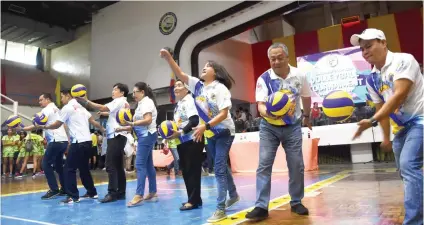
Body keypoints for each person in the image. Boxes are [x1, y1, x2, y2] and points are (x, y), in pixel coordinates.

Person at [351, 28, 423, 225]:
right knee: (405, 171)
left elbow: (399, 95)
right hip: (402, 128)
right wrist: (385, 137)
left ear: (383, 43)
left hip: (421, 120)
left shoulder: (403, 60)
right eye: (362, 49)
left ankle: (415, 221)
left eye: (369, 46)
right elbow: (382, 108)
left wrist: (372, 121)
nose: (365, 52)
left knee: (409, 166)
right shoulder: (371, 78)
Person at [160, 49, 240, 222]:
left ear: (216, 72)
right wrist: (169, 59)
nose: (204, 68)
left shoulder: (220, 89)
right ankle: (233, 194)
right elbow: (180, 74)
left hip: (224, 132)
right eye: (203, 66)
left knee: (218, 168)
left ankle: (220, 209)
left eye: (208, 66)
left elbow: (224, 114)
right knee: (221, 166)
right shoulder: (198, 86)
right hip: (210, 132)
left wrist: (206, 125)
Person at [245, 43, 312, 221]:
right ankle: (261, 206)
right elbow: (260, 106)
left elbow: (306, 96)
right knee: (264, 165)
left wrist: (306, 116)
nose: (275, 61)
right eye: (272, 59)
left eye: (279, 57)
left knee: (296, 164)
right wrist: (272, 112)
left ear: (287, 57)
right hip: (269, 127)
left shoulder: (299, 75)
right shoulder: (264, 79)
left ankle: (296, 201)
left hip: (293, 126)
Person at [36, 89, 105, 203]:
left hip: (78, 142)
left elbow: (57, 124)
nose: (61, 100)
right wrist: (103, 130)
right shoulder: (82, 108)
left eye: (62, 97)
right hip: (88, 142)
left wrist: (44, 126)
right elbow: (94, 123)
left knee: (69, 169)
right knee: (84, 169)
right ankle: (92, 192)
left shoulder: (67, 108)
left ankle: (73, 196)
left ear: (68, 96)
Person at [77, 83, 130, 203]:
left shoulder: (119, 101)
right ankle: (120, 192)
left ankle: (112, 193)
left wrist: (86, 101)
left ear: (122, 93)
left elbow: (102, 107)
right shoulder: (123, 102)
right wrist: (106, 114)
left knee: (110, 164)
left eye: (115, 89)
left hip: (116, 136)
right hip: (120, 136)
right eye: (113, 89)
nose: (113, 91)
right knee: (118, 166)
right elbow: (114, 113)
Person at [115, 82, 158, 207]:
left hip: (147, 136)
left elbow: (148, 120)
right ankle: (153, 191)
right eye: (133, 92)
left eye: (135, 92)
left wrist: (132, 124)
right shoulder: (141, 104)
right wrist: (122, 128)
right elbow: (136, 125)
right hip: (144, 136)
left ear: (142, 92)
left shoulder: (146, 103)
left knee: (139, 165)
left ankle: (139, 195)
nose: (133, 95)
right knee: (148, 164)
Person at [21, 93, 70, 198]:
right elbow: (64, 125)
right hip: (63, 141)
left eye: (41, 100)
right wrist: (68, 140)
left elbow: (37, 125)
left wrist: (23, 128)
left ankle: (54, 189)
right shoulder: (57, 109)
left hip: (55, 140)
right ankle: (65, 189)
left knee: (45, 164)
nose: (39, 102)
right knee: (58, 166)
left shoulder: (46, 110)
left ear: (47, 99)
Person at [166, 79, 205, 211]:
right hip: (183, 140)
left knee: (192, 172)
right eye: (175, 86)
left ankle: (193, 201)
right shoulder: (180, 103)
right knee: (187, 171)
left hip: (192, 140)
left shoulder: (189, 101)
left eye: (179, 85)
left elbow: (194, 120)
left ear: (187, 88)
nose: (175, 88)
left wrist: (181, 132)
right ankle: (194, 199)